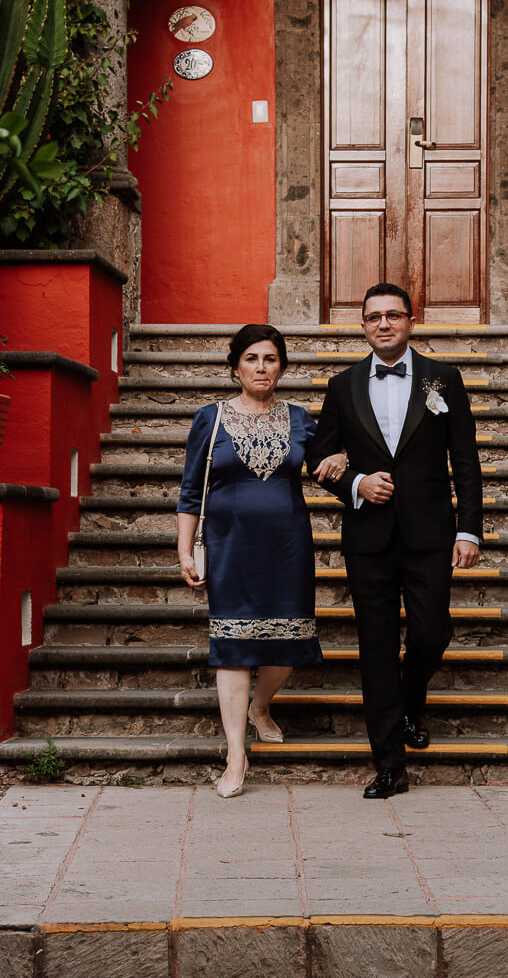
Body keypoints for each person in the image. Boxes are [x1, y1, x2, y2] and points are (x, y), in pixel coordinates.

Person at [311, 283, 483, 799]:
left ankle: (410, 702)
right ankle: (389, 764)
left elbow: (465, 460)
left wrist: (468, 529)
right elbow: (319, 458)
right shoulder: (342, 385)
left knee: (432, 632)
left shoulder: (443, 378)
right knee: (377, 649)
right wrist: (356, 483)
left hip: (430, 533)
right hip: (369, 538)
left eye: (393, 315)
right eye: (374, 317)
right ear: (363, 326)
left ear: (411, 321)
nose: (383, 324)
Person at [177, 324, 348, 798]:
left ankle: (260, 706)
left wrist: (342, 457)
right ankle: (236, 754)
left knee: (290, 639)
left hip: (287, 546)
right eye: (251, 358)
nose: (260, 367)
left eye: (270, 359)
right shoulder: (210, 419)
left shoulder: (300, 419)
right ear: (236, 367)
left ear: (282, 368)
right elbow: (191, 492)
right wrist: (185, 549)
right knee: (233, 645)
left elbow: (326, 465)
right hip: (229, 546)